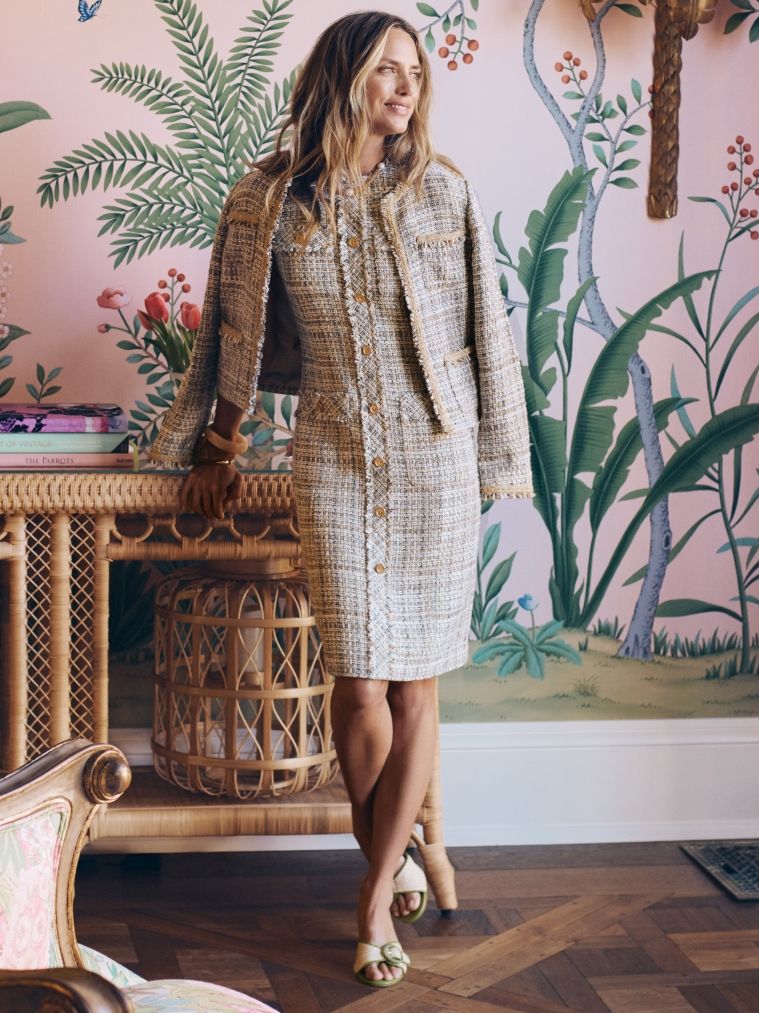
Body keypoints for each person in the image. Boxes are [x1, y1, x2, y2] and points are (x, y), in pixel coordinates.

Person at [151, 9, 534, 990]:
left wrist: (498, 456)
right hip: (331, 453)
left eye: (415, 72)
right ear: (341, 78)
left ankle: (370, 898)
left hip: (434, 456)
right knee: (357, 679)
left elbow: (488, 332)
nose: (406, 87)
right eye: (386, 69)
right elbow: (230, 331)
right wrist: (217, 443)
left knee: (415, 685)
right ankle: (393, 857)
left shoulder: (443, 191)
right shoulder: (268, 201)